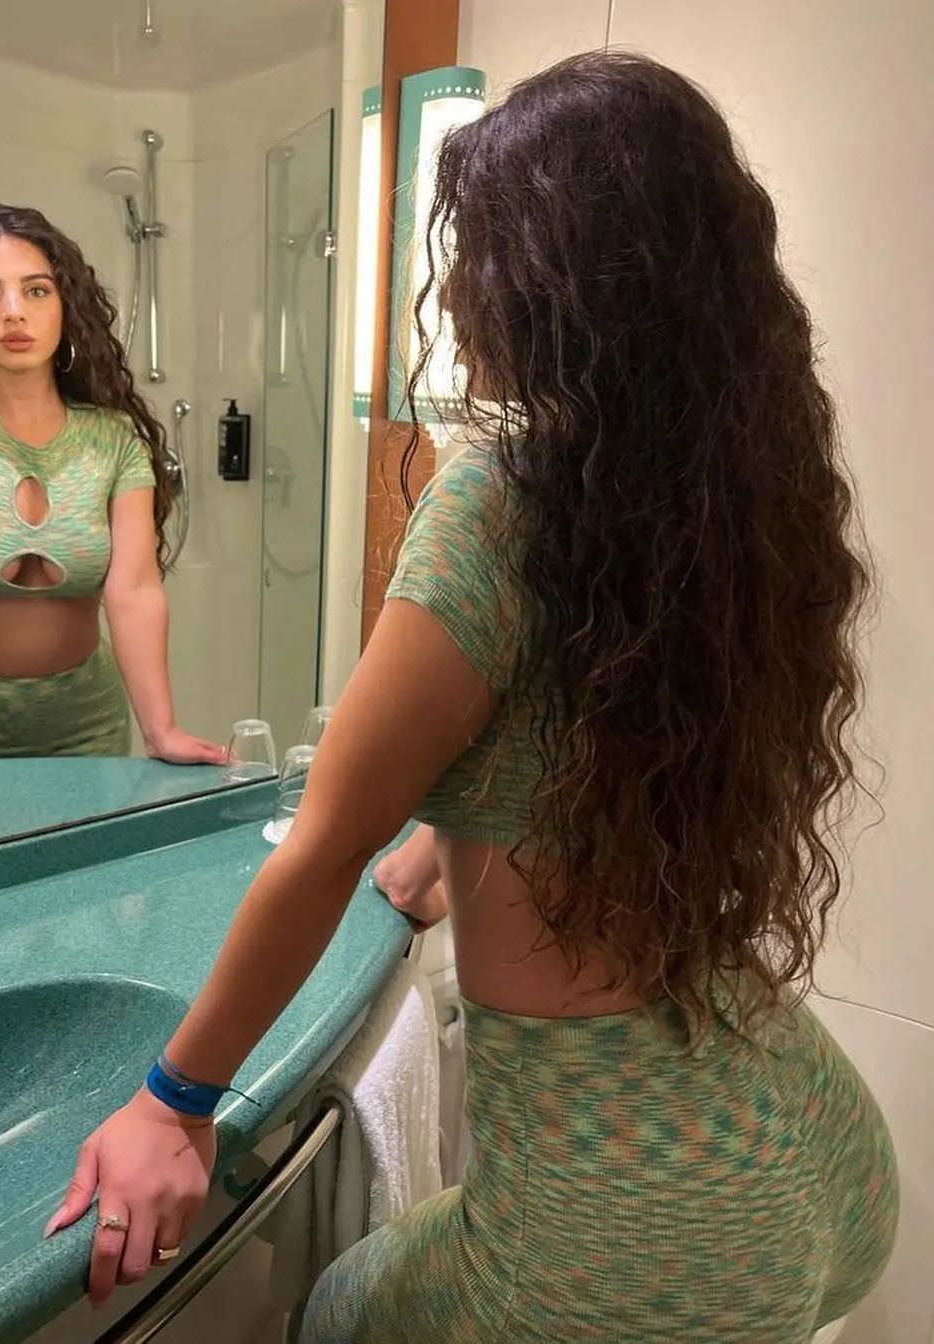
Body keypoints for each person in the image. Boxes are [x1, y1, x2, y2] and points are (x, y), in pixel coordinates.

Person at [46, 52, 898, 1341]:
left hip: (638, 1215)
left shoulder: (502, 501)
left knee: (337, 1315)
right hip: (810, 1128)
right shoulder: (730, 503)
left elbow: (322, 844)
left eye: (476, 256)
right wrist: (443, 853)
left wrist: (174, 1102)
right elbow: (570, 749)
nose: (452, 292)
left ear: (550, 286)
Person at [0, 203, 224, 768]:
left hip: (88, 730)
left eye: (35, 290)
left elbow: (134, 591)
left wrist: (162, 731)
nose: (13, 313)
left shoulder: (113, 436)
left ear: (65, 305)